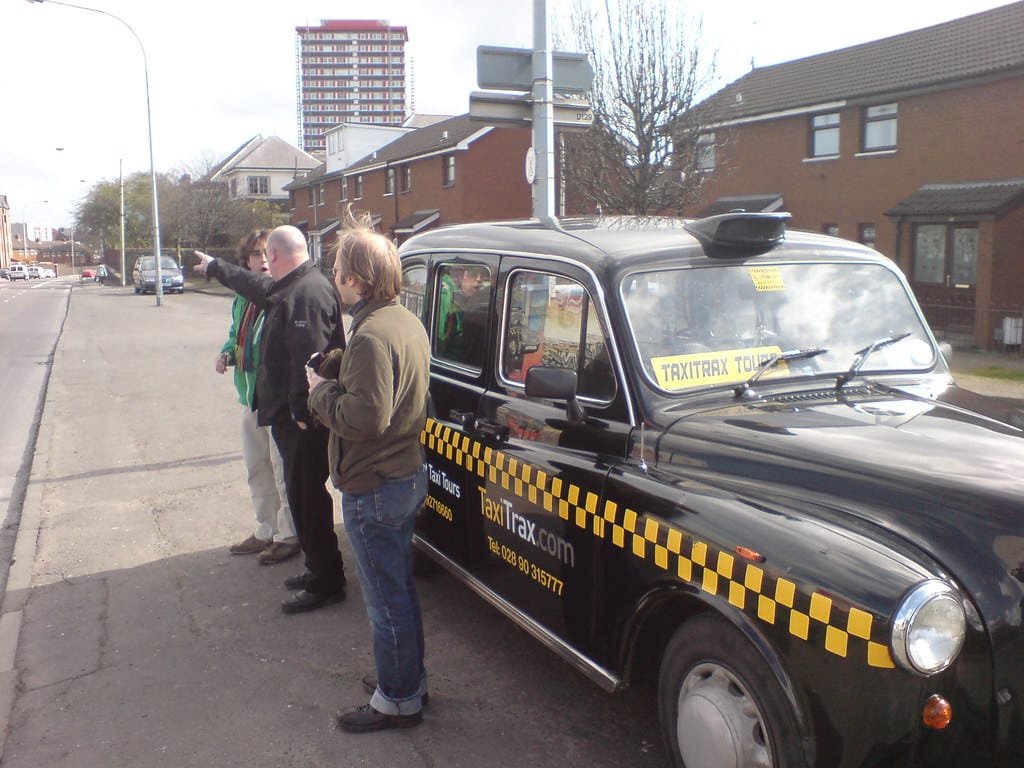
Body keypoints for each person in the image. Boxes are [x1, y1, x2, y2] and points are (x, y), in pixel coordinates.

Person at [306, 221, 430, 733]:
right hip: (400, 476)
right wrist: (340, 366)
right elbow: (385, 388)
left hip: (375, 484)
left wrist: (318, 390)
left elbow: (365, 418)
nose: (333, 278)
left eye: (338, 270)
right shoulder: (402, 320)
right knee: (398, 588)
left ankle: (397, 699)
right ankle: (406, 680)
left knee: (385, 599)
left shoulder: (372, 335)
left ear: (359, 278)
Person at [193, 225, 347, 614]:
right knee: (301, 498)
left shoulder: (306, 294)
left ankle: (326, 582)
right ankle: (317, 569)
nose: (263, 265)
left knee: (308, 500)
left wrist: (300, 414)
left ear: (275, 257)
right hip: (292, 418)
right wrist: (216, 267)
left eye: (267, 258)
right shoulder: (291, 287)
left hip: (304, 423)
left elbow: (310, 365)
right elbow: (255, 288)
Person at [218, 229, 300, 565]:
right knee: (257, 466)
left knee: (281, 469)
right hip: (249, 395)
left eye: (268, 252)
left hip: (275, 401)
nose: (263, 260)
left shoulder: (279, 296)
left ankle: (288, 534)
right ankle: (265, 528)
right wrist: (226, 353)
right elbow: (236, 337)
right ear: (246, 261)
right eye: (255, 254)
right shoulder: (242, 299)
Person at [436, 264, 489, 365]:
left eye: (481, 274)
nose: (479, 279)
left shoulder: (469, 296)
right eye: (473, 273)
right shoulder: (445, 293)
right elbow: (440, 342)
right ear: (461, 273)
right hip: (450, 365)